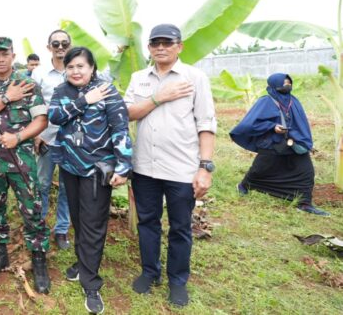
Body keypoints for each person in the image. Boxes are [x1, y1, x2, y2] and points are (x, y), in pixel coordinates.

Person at [124, 24, 216, 307]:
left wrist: (204, 167)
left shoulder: (195, 78)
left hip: (181, 169)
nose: (161, 47)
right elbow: (127, 113)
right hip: (145, 168)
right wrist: (158, 97)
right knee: (148, 223)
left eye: (167, 42)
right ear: (149, 48)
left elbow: (206, 123)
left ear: (180, 46)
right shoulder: (139, 78)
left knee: (180, 227)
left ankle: (177, 281)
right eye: (155, 43)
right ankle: (150, 272)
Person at [48, 47, 132, 314]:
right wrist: (85, 100)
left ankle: (91, 282)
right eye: (70, 67)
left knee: (94, 223)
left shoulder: (107, 91)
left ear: (92, 68)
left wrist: (124, 165)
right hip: (70, 166)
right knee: (78, 218)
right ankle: (83, 263)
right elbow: (55, 117)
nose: (75, 71)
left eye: (81, 66)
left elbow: (120, 128)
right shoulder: (61, 92)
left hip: (98, 168)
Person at [0, 37, 51, 294]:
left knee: (32, 209)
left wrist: (18, 137)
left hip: (22, 161)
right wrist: (6, 97)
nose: (1, 58)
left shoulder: (28, 84)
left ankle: (38, 260)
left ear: (13, 55)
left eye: (5, 54)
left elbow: (41, 120)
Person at [230, 73, 329, 216]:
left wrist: (303, 140)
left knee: (306, 172)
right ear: (274, 84)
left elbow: (301, 124)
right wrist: (272, 127)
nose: (287, 85)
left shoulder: (293, 101)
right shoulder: (265, 101)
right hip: (272, 142)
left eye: (289, 83)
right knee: (259, 170)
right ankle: (244, 186)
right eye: (284, 83)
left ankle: (304, 203)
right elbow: (251, 123)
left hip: (294, 142)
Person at [34, 30, 72, 250]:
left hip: (71, 142)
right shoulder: (39, 74)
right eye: (55, 43)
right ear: (49, 47)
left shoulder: (77, 70)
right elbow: (33, 104)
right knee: (42, 185)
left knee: (67, 188)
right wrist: (36, 134)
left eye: (64, 43)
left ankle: (61, 230)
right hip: (46, 140)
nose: (60, 47)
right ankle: (40, 227)